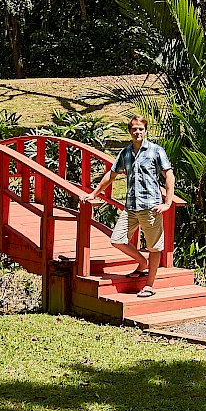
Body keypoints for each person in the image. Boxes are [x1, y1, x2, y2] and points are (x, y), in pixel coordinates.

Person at [83, 116, 175, 298]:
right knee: (117, 239)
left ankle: (149, 285)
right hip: (131, 207)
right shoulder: (125, 153)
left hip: (151, 207)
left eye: (140, 129)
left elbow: (169, 176)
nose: (137, 132)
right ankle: (142, 263)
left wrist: (167, 203)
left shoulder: (156, 151)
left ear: (145, 130)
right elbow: (111, 174)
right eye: (134, 129)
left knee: (154, 247)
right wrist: (94, 194)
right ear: (129, 131)